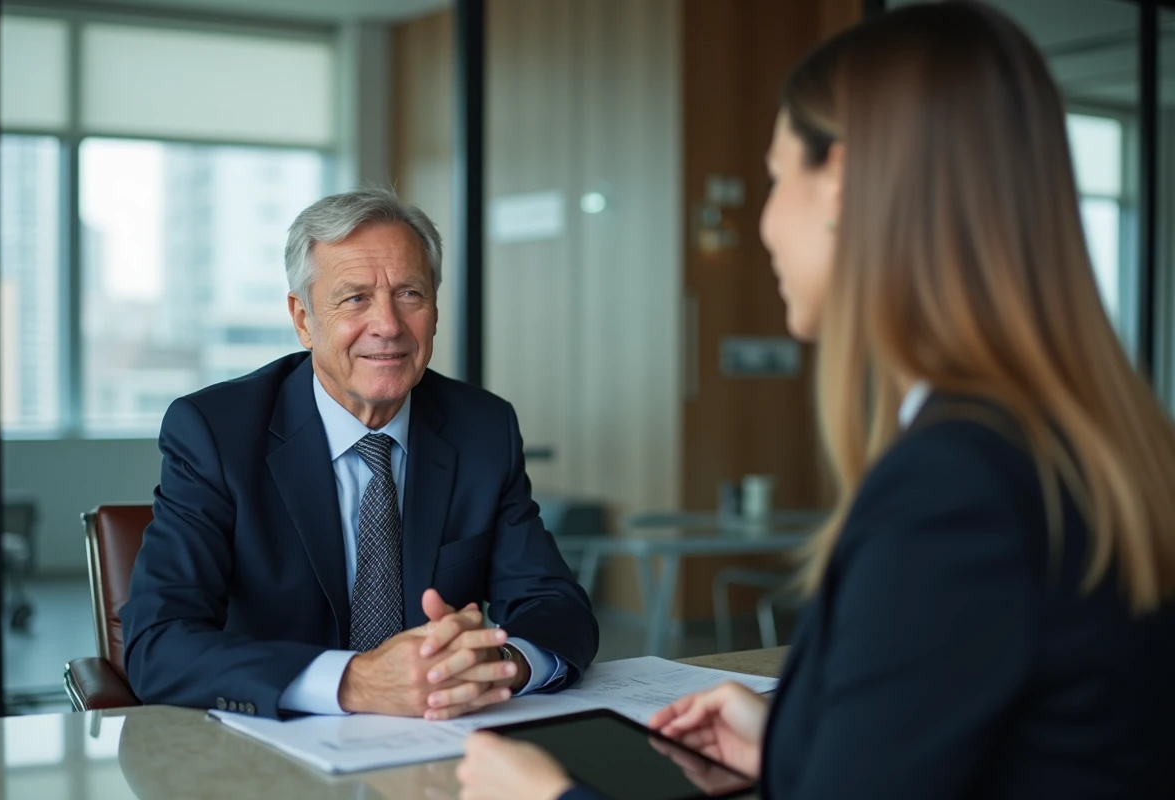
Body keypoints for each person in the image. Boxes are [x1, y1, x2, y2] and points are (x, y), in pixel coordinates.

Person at [455, 2, 1175, 798]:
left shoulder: (952, 485)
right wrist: (801, 749)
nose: (763, 224)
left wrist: (546, 797)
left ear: (838, 182)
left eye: (773, 177)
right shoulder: (1074, 445)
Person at [121, 188, 598, 720]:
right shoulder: (216, 433)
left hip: (437, 743)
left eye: (410, 294)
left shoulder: (482, 428)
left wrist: (496, 663)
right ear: (303, 319)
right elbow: (158, 645)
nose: (388, 325)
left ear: (435, 311)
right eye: (355, 298)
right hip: (270, 751)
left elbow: (556, 604)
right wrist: (353, 683)